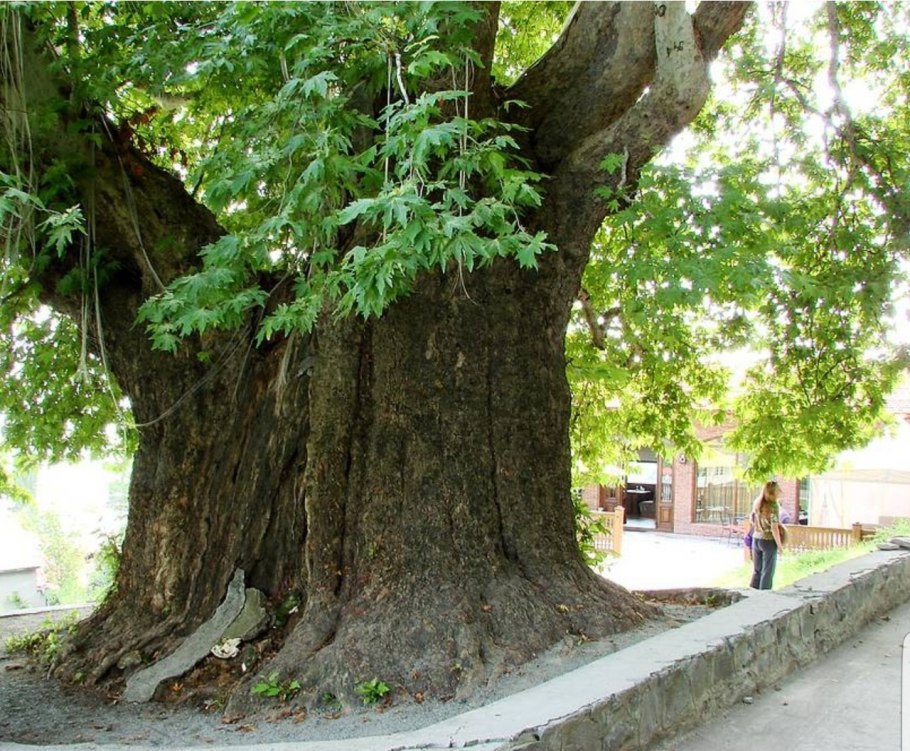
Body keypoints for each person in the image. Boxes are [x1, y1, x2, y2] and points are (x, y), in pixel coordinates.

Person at [750, 480, 785, 589]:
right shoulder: (773, 506)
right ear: (773, 492)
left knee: (757, 571)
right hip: (768, 541)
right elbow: (774, 528)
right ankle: (764, 596)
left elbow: (752, 519)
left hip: (756, 539)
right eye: (778, 490)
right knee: (767, 572)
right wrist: (779, 546)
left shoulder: (757, 503)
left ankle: (751, 594)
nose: (780, 492)